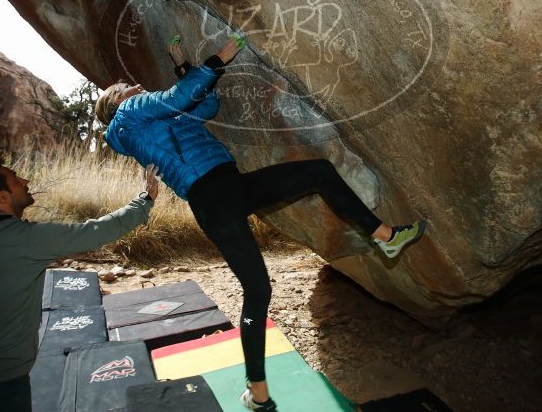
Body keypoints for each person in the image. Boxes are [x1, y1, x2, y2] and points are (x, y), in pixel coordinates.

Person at [94, 35, 427, 411]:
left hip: (229, 188)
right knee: (258, 289)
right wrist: (217, 59)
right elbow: (179, 97)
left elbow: (206, 104)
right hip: (212, 196)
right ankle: (258, 393)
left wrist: (185, 66)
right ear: (116, 101)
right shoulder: (130, 112)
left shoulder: (153, 120)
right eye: (127, 87)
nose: (137, 86)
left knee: (317, 173)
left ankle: (385, 236)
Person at [0, 158, 159, 412]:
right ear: (0, 196)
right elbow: (94, 232)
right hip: (2, 375)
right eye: (15, 178)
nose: (25, 181)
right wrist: (144, 200)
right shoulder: (24, 239)